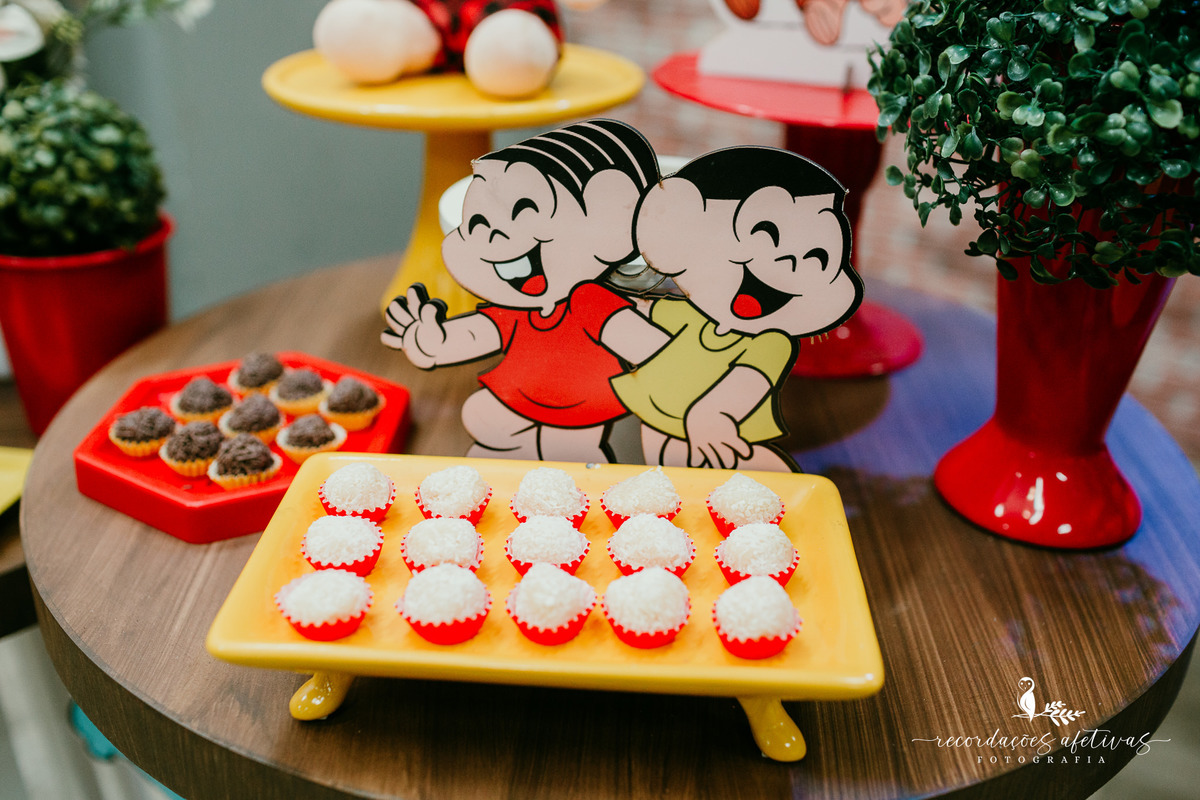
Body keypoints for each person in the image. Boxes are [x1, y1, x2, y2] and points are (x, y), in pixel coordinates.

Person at [381, 119, 670, 462]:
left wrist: (667, 351)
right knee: (482, 415)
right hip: (518, 395)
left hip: (580, 405)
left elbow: (645, 346)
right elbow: (480, 332)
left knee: (568, 453)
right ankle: (505, 475)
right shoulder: (513, 308)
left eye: (524, 214)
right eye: (476, 223)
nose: (492, 239)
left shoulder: (588, 300)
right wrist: (434, 343)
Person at [613, 145, 864, 471]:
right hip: (659, 421)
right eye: (765, 233)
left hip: (724, 441)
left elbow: (751, 377)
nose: (787, 261)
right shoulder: (684, 313)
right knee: (667, 484)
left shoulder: (770, 341)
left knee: (755, 488)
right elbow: (643, 318)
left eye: (818, 256)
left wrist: (712, 415)